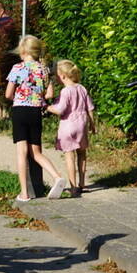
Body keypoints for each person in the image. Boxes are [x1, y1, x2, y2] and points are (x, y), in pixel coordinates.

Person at [4, 35, 67, 201]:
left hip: (20, 110)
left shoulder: (18, 67)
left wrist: (18, 97)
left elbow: (8, 94)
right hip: (35, 112)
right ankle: (57, 176)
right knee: (36, 152)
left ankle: (24, 193)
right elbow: (50, 94)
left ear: (23, 51)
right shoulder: (44, 70)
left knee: (22, 152)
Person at [47, 60, 96, 197]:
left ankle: (73, 187)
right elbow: (90, 108)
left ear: (62, 76)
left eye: (56, 75)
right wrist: (92, 124)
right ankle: (82, 184)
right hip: (82, 125)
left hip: (68, 126)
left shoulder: (65, 91)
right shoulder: (82, 88)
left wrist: (48, 107)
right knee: (82, 154)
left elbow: (60, 110)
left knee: (69, 156)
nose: (55, 78)